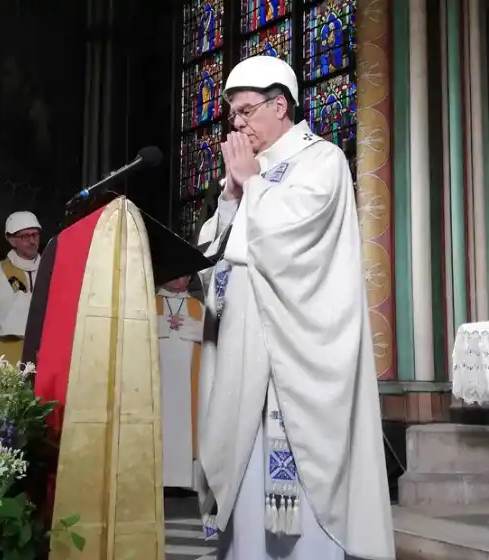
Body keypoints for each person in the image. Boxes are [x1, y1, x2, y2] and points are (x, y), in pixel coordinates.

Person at [194, 55, 395, 559]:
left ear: (279, 105)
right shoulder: (249, 172)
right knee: (245, 506)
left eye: (245, 111)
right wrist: (231, 197)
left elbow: (293, 243)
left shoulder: (322, 160)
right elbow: (214, 261)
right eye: (233, 115)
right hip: (244, 357)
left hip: (295, 363)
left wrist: (251, 185)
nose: (237, 125)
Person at [157, 275, 204, 491]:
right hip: (160, 378)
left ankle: (187, 481)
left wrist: (194, 328)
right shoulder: (149, 302)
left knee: (187, 421)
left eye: (184, 275)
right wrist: (161, 324)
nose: (179, 280)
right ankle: (158, 478)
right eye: (175, 274)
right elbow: (136, 331)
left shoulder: (198, 306)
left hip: (189, 379)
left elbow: (214, 335)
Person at [0, 211, 41, 366]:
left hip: (43, 348)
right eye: (25, 236)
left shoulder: (50, 268)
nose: (32, 241)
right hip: (6, 347)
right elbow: (7, 308)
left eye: (35, 235)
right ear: (12, 240)